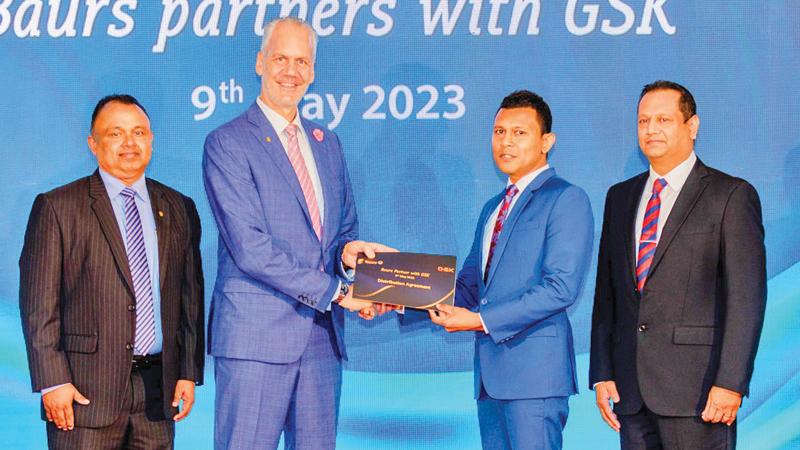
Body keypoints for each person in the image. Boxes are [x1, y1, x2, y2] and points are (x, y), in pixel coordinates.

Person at [203, 17, 391, 450]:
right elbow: (250, 248)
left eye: (302, 61)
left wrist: (351, 256)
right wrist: (339, 294)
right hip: (256, 340)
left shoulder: (328, 143)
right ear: (260, 62)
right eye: (281, 59)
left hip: (321, 342)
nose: (291, 71)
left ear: (313, 70)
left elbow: (342, 232)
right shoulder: (228, 143)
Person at [19, 94, 205, 449]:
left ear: (151, 139)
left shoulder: (179, 207)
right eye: (116, 134)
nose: (129, 143)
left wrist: (187, 371)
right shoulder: (58, 207)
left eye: (139, 132)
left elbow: (189, 298)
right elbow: (38, 305)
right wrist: (52, 381)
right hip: (83, 396)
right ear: (94, 143)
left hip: (157, 394)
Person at [589, 80, 767, 449]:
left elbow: (746, 300)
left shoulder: (730, 195)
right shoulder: (619, 198)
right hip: (631, 393)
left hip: (699, 394)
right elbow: (607, 294)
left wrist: (731, 382)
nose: (651, 129)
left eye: (663, 120)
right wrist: (603, 371)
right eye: (643, 121)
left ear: (692, 126)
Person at [430, 90, 594, 450]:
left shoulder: (566, 199)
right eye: (499, 132)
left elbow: (560, 287)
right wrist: (401, 297)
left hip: (534, 380)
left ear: (546, 141)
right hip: (491, 379)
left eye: (519, 133)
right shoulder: (493, 207)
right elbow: (471, 287)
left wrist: (478, 320)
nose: (506, 141)